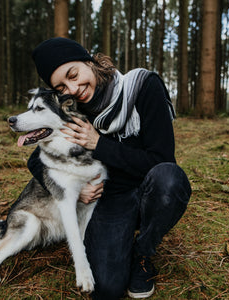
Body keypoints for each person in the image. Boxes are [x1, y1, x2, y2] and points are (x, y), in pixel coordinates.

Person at [29, 37, 191, 300]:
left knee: (170, 180)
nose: (73, 88)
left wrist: (99, 144)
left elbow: (161, 159)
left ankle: (143, 252)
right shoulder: (71, 112)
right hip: (110, 198)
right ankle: (118, 238)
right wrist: (75, 192)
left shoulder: (142, 87)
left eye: (73, 74)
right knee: (106, 288)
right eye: (61, 87)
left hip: (151, 188)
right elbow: (36, 160)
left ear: (90, 62)